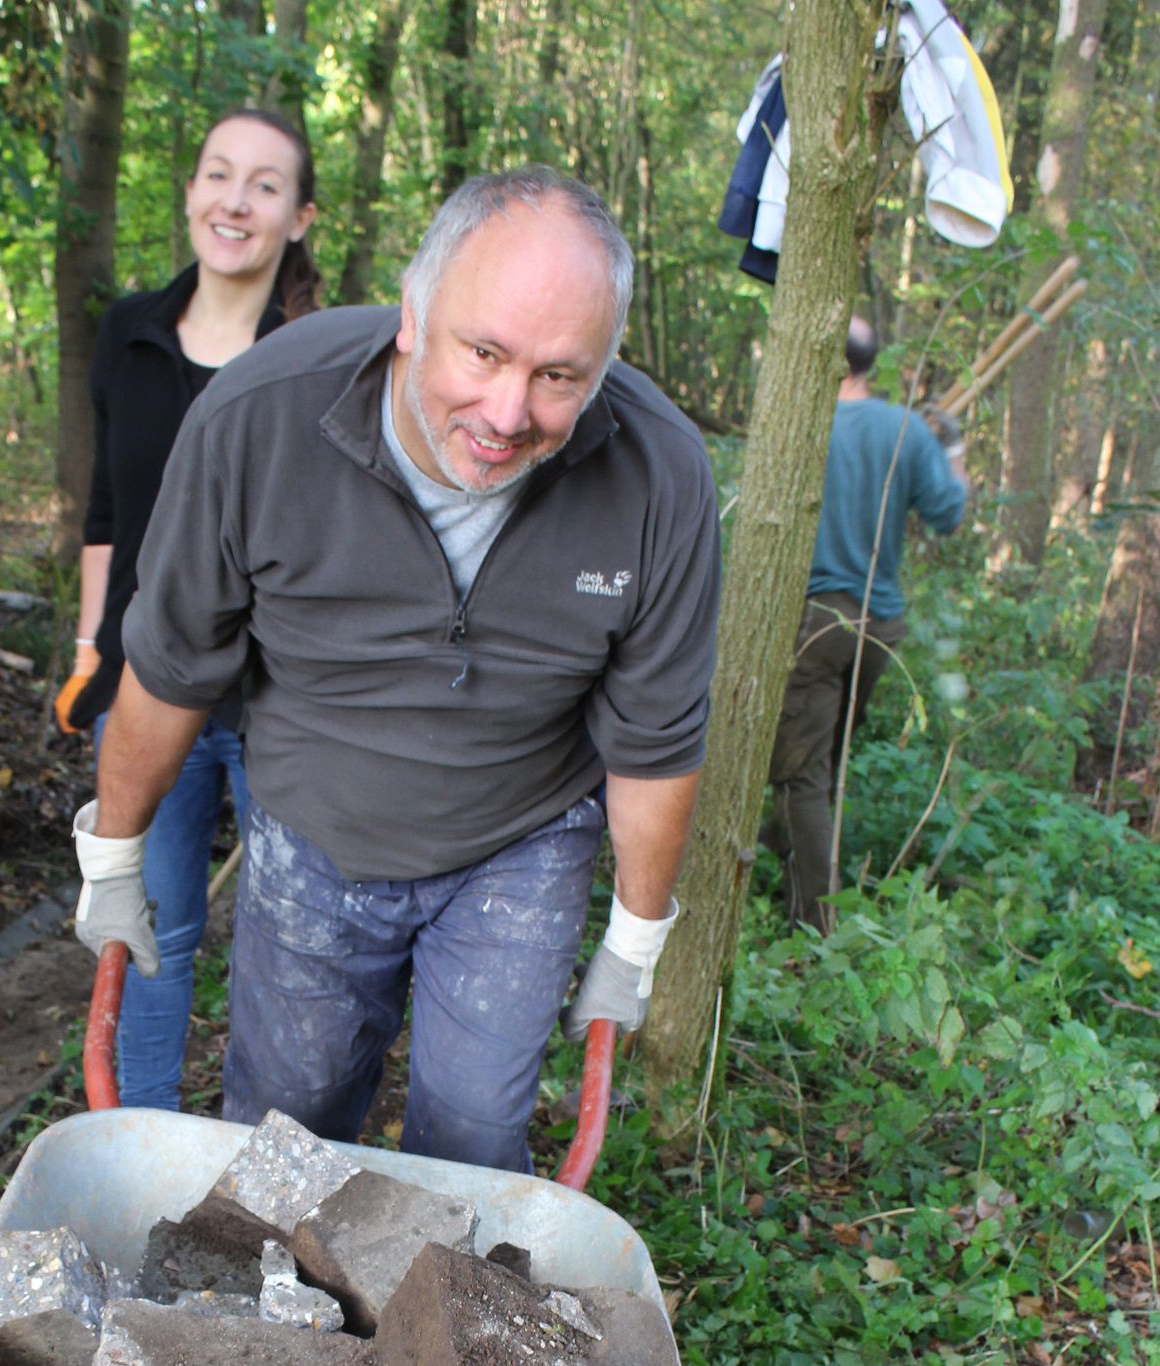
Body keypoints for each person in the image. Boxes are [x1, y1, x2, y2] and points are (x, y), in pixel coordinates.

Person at [72, 166, 720, 1174]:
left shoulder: (659, 475)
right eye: (484, 351)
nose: (508, 412)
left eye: (558, 375)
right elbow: (169, 667)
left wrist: (634, 940)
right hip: (316, 823)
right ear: (413, 314)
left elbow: (655, 744)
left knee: (471, 1138)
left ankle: (424, 1321)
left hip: (523, 840)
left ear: (605, 365)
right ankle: (273, 1323)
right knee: (288, 1130)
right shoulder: (262, 417)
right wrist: (114, 859)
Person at [55, 108, 318, 1109]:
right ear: (191, 191)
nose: (235, 201)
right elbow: (107, 509)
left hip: (276, 701)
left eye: (263, 185)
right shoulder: (129, 333)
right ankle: (145, 1143)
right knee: (150, 923)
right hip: (141, 685)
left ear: (297, 216)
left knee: (288, 935)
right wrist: (89, 649)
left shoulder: (309, 357)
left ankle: (269, 1154)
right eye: (219, 175)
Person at [765, 316, 967, 930]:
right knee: (820, 753)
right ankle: (788, 857)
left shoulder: (803, 424)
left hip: (820, 623)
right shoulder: (905, 428)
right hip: (881, 627)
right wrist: (952, 449)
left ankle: (813, 925)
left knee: (804, 773)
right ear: (872, 363)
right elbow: (949, 514)